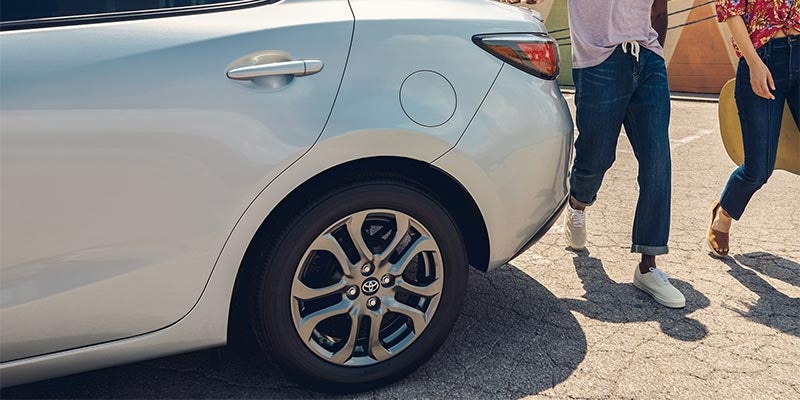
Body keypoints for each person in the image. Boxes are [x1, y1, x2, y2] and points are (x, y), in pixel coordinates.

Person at [561, 0, 685, 309]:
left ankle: (648, 264)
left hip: (648, 59)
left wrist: (655, 56)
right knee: (596, 158)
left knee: (658, 162)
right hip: (599, 60)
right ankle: (577, 204)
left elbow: (659, 11)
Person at [708, 0, 799, 257]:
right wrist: (754, 63)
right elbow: (730, 9)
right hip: (763, 59)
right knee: (758, 170)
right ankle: (724, 213)